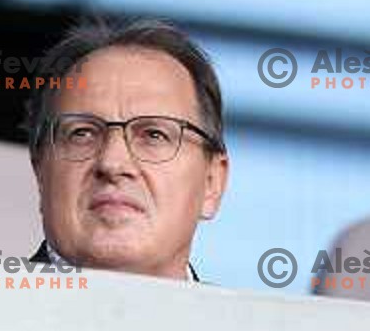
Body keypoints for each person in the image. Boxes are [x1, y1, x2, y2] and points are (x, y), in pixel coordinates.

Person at [25, 18, 229, 282]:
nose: (112, 163)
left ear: (212, 183)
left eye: (154, 135)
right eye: (82, 133)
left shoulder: (259, 323)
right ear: (41, 175)